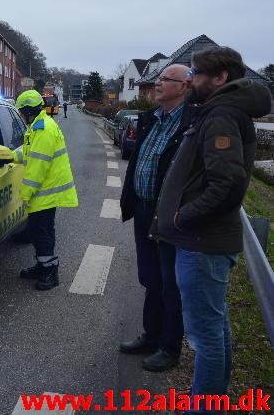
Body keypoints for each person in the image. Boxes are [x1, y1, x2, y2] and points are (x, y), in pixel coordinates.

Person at [152, 46, 271, 413]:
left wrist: (182, 218)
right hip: (203, 241)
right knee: (214, 327)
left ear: (219, 78)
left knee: (205, 335)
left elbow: (228, 184)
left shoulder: (220, 115)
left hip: (201, 243)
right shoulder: (217, 111)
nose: (189, 79)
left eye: (196, 73)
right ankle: (211, 396)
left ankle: (204, 406)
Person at [118, 64, 193, 372]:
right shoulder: (152, 119)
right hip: (143, 209)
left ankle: (169, 346)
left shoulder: (191, 122)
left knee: (170, 283)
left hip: (169, 215)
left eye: (165, 80)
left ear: (184, 87)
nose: (157, 84)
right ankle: (151, 335)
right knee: (149, 277)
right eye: (159, 78)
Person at [13, 89, 79, 290]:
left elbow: (37, 167)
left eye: (22, 113)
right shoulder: (39, 126)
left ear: (28, 111)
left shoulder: (42, 130)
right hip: (47, 191)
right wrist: (11, 157)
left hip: (46, 192)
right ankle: (43, 265)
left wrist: (25, 194)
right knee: (43, 230)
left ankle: (50, 271)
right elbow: (30, 155)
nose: (22, 117)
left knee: (39, 231)